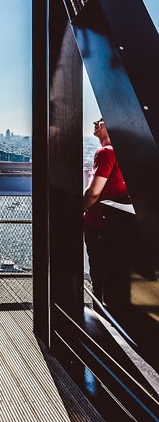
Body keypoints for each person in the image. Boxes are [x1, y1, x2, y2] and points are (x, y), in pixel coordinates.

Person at [83, 117, 129, 302]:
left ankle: (99, 317)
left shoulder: (106, 152)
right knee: (112, 272)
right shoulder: (124, 152)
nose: (96, 122)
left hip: (98, 222)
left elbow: (93, 193)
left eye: (102, 120)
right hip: (117, 224)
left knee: (98, 272)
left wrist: (76, 211)